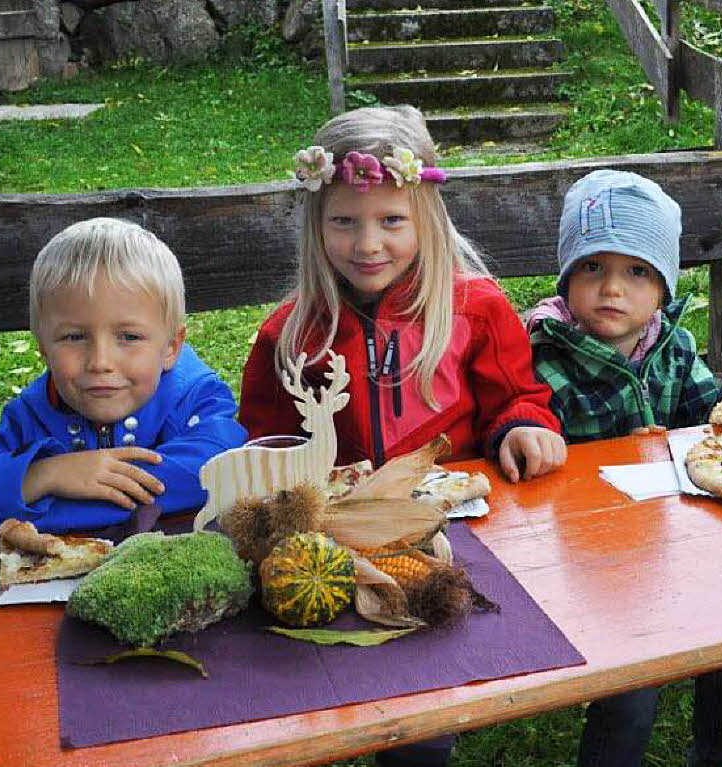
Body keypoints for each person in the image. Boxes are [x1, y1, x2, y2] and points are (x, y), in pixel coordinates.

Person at [239, 105, 567, 766]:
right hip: (339, 543)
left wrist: (524, 425)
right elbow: (265, 443)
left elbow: (518, 395)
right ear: (316, 224)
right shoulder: (289, 334)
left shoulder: (476, 308)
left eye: (392, 220)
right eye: (344, 222)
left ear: (427, 218)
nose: (368, 244)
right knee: (308, 674)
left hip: (460, 539)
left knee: (424, 704)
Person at [526, 169, 722, 767]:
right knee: (632, 687)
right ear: (566, 281)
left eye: (637, 272)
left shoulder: (674, 348)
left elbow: (705, 426)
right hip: (588, 561)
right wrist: (619, 451)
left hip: (675, 544)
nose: (613, 288)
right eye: (593, 268)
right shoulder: (540, 356)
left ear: (662, 289)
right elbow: (541, 469)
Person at [0, 217, 247, 533]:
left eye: (129, 337)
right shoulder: (28, 418)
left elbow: (216, 473)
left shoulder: (198, 400)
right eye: (74, 337)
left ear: (171, 347)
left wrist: (30, 503)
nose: (100, 361)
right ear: (43, 347)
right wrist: (44, 475)